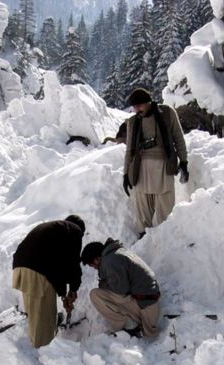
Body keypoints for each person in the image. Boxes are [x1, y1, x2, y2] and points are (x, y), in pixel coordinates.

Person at [12, 215, 85, 348]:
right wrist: (73, 290)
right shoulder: (74, 230)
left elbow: (57, 267)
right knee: (44, 318)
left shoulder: (53, 229)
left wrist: (64, 294)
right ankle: (44, 354)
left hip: (21, 267)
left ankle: (34, 350)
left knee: (35, 314)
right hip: (37, 270)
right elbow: (72, 264)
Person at [122, 88, 188, 234]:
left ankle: (166, 237)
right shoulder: (133, 121)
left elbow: (178, 138)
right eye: (134, 107)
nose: (136, 109)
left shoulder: (167, 113)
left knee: (166, 209)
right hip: (141, 169)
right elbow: (129, 151)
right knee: (143, 210)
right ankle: (143, 238)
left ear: (148, 102)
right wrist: (126, 174)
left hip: (164, 166)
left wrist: (184, 162)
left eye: (139, 105)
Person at [81, 239, 161, 338]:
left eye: (92, 265)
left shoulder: (110, 261)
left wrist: (104, 284)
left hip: (146, 309)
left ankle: (129, 327)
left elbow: (120, 290)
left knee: (95, 295)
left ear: (97, 259)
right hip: (149, 304)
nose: (94, 268)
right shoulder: (116, 254)